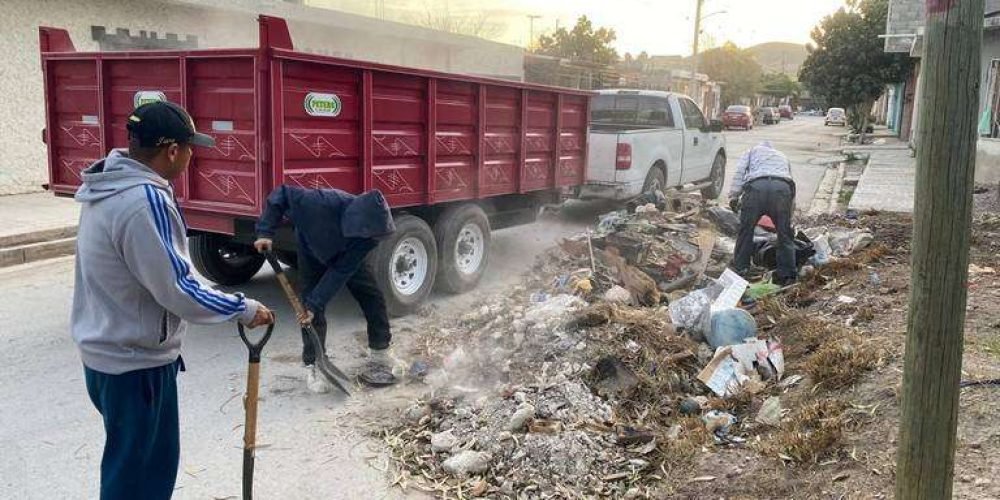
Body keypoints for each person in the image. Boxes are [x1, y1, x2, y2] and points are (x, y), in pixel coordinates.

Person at [71, 101, 275, 500]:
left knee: (130, 467)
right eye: (189, 147)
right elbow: (178, 288)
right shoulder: (144, 200)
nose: (191, 155)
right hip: (135, 366)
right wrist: (243, 308)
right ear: (171, 152)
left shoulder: (107, 187)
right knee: (141, 479)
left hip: (106, 356)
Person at [253, 185, 401, 391]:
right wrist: (265, 231)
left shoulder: (368, 238)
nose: (369, 241)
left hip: (343, 256)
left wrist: (316, 303)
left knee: (372, 296)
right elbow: (281, 194)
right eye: (365, 236)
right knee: (310, 311)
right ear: (356, 222)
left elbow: (340, 271)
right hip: (311, 253)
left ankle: (380, 349)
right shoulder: (318, 203)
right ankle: (312, 364)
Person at [727, 141, 797, 286]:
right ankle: (787, 275)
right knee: (784, 234)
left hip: (756, 189)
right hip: (781, 190)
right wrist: (790, 214)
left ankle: (741, 269)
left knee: (746, 231)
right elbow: (790, 179)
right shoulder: (782, 156)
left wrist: (734, 196)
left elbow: (740, 172)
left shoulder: (751, 152)